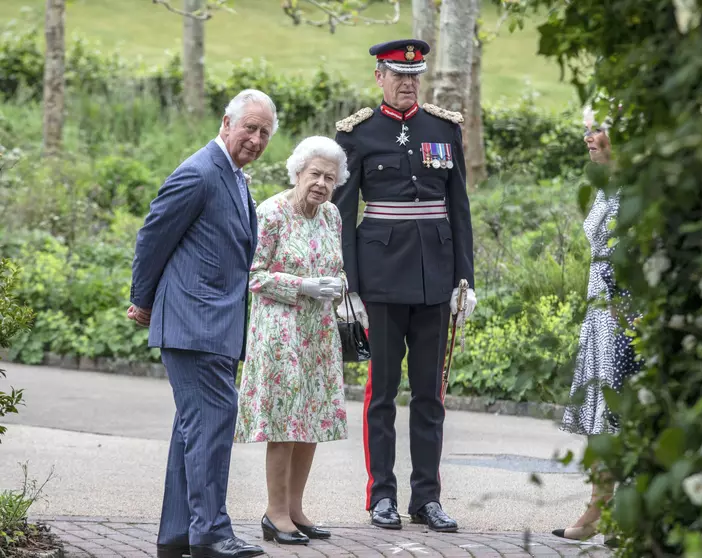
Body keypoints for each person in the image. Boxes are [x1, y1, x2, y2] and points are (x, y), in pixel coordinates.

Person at [333, 39, 476, 533]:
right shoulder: (356, 134)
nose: (408, 82)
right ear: (379, 76)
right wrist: (350, 287)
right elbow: (343, 214)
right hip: (380, 281)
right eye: (398, 74)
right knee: (382, 395)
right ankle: (382, 496)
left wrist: (464, 279)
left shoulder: (444, 129)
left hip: (435, 277)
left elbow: (459, 210)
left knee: (430, 395)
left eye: (414, 75)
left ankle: (426, 498)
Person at [128, 89, 276, 558]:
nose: (256, 139)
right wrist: (142, 301)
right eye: (249, 127)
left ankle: (178, 534)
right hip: (194, 324)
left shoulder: (232, 175)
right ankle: (211, 533)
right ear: (226, 123)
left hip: (214, 325)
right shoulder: (199, 172)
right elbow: (153, 236)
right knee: (212, 423)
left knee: (192, 430)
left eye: (265, 133)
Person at [234, 136, 350, 545]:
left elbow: (337, 266)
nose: (321, 183)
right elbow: (253, 275)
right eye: (315, 174)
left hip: (319, 332)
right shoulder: (271, 212)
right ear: (298, 172)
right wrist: (302, 285)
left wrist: (337, 285)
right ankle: (275, 513)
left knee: (312, 421)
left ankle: (296, 509)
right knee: (285, 422)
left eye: (330, 178)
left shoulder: (332, 215)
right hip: (280, 332)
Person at [553, 106, 640, 543]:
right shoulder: (608, 185)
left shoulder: (637, 189)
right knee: (601, 416)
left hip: (628, 314)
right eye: (586, 130)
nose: (589, 137)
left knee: (622, 414)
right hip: (601, 312)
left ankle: (627, 513)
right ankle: (598, 508)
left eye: (598, 129)